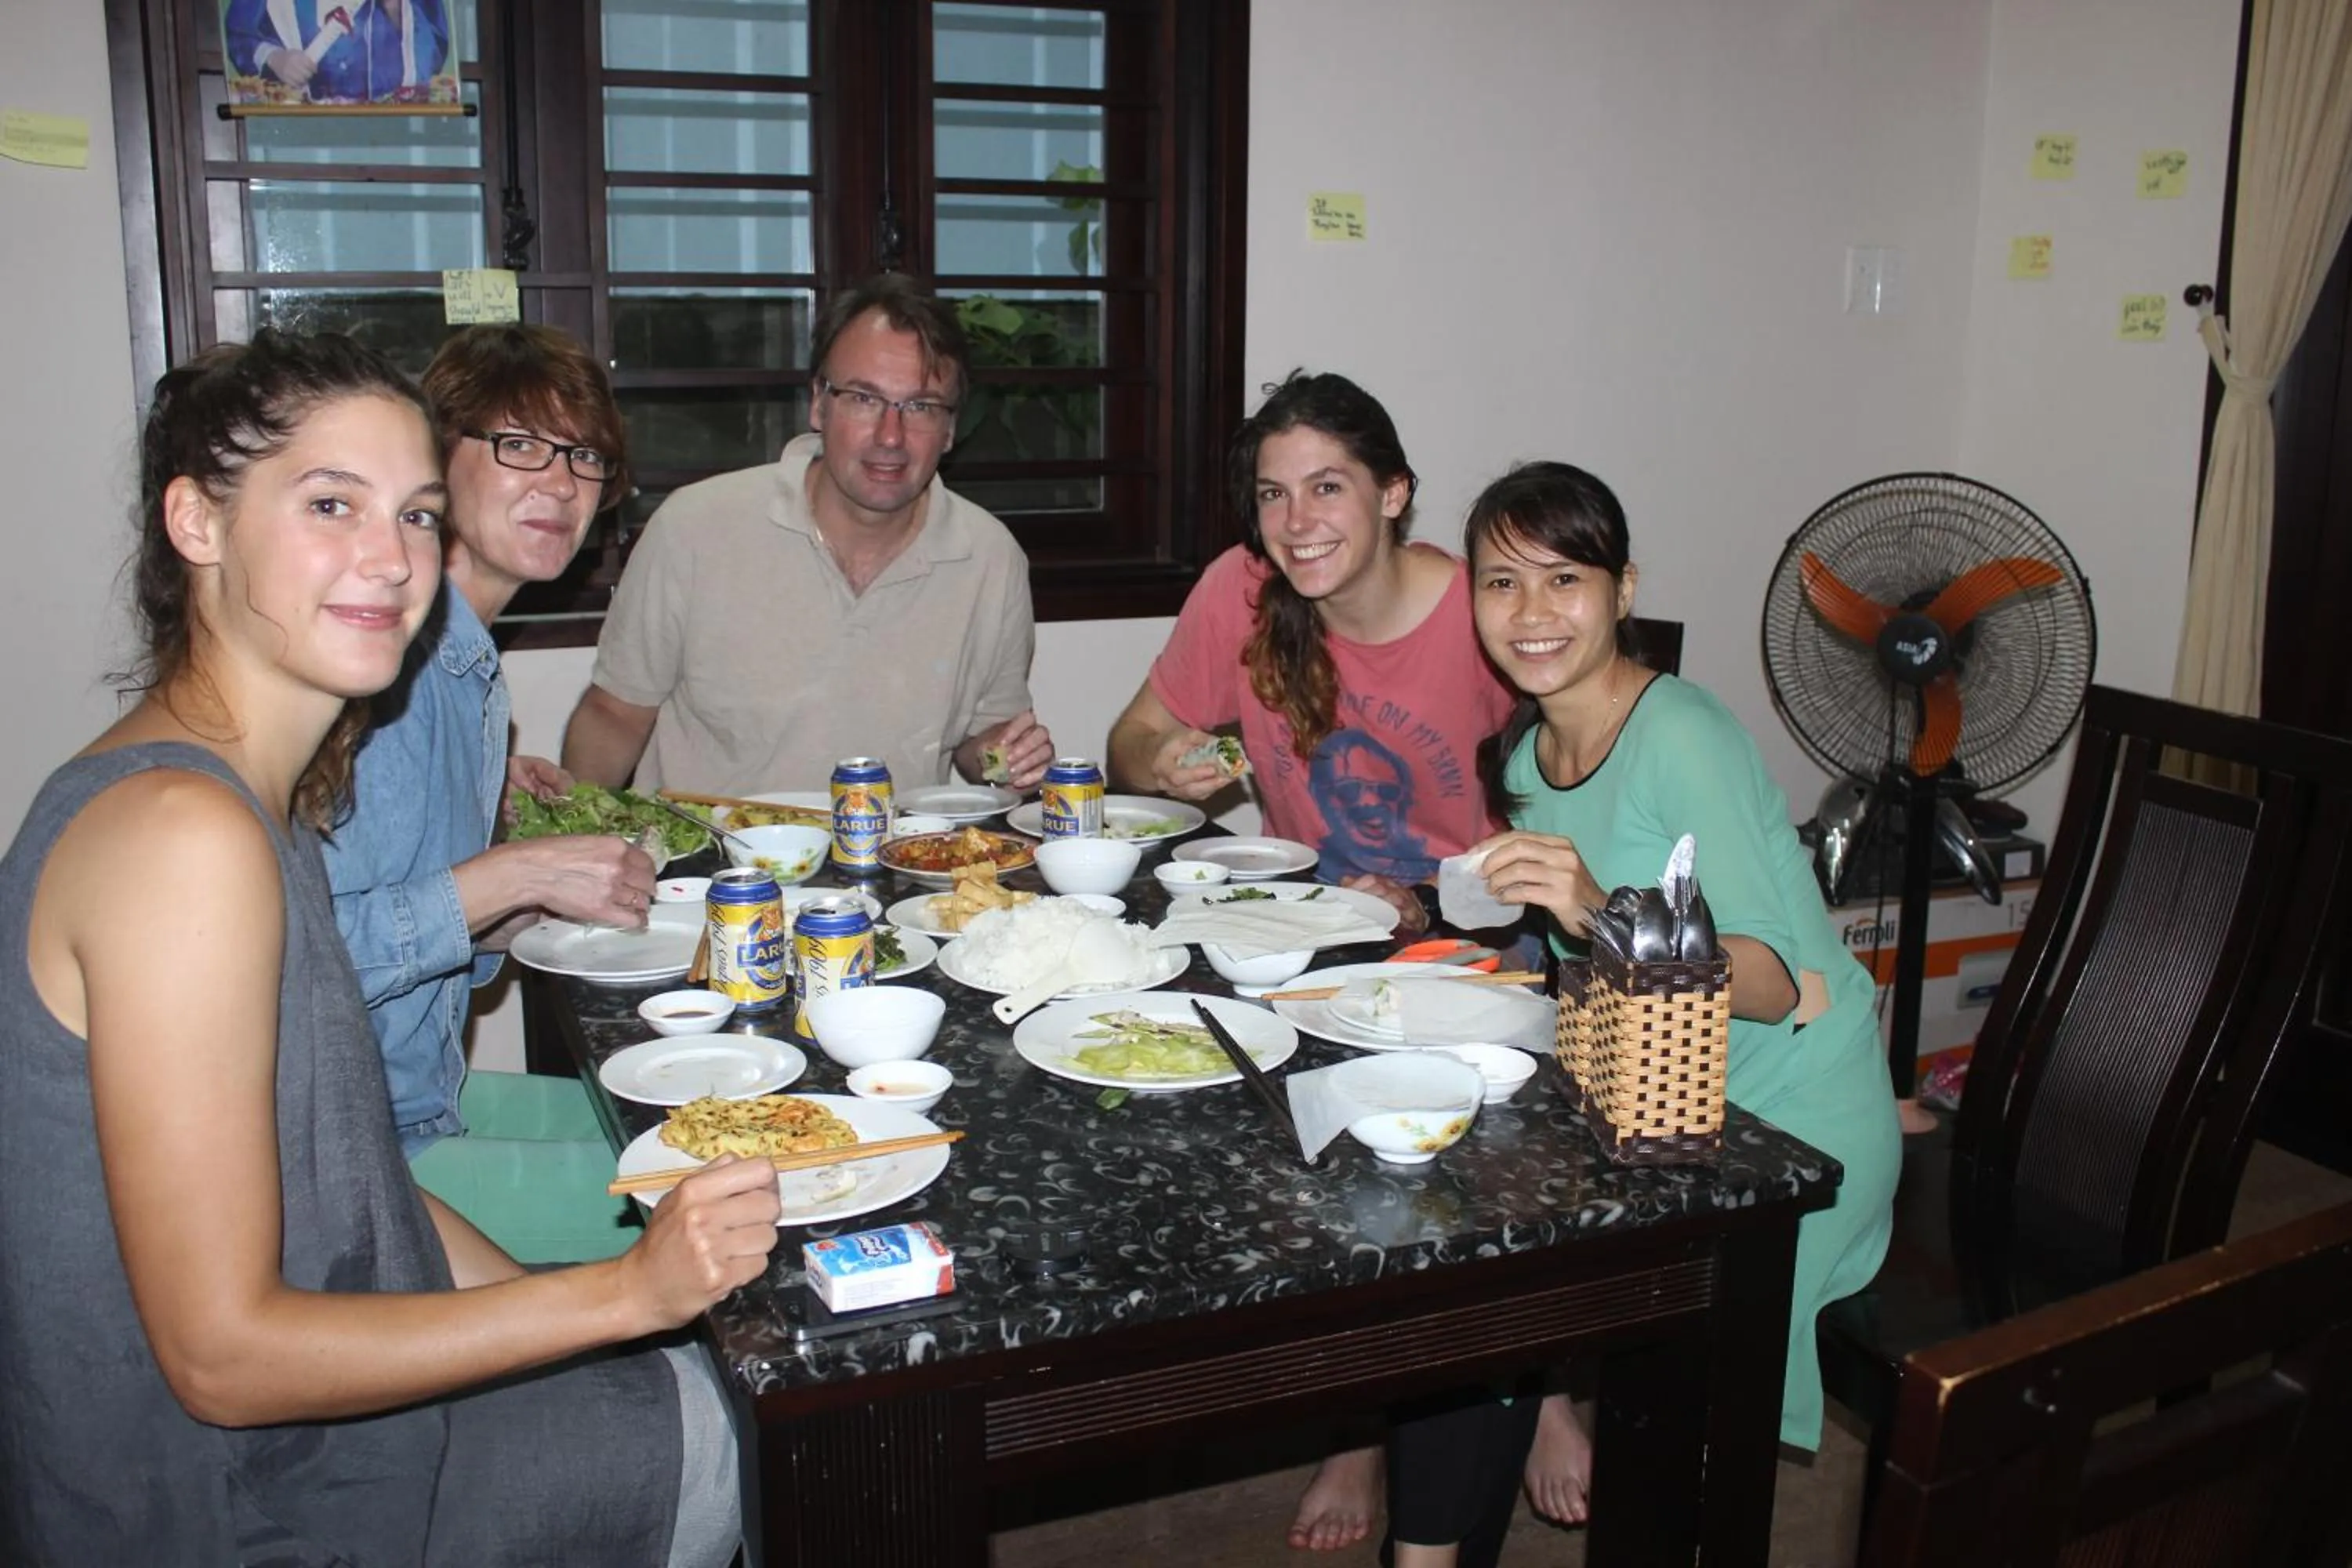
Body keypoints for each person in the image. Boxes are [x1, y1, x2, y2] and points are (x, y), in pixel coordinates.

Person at [0, 331, 775, 1566]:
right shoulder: (179, 837)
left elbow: (358, 1183)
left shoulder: (256, 799)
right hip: (224, 1503)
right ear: (197, 523)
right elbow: (221, 1360)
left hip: (282, 1438)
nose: (392, 557)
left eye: (415, 515)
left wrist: (557, 1311)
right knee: (764, 1428)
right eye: (329, 504)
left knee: (707, 1370)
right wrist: (622, 1297)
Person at [1374, 459, 1899, 1566]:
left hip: (1783, 1119)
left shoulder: (1684, 736)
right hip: (1648, 1089)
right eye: (1501, 582)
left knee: (1648, 1390)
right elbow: (1584, 965)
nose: (1531, 613)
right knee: (1459, 1226)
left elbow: (1773, 981)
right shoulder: (1524, 749)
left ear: (1622, 590)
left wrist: (1590, 906)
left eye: (1564, 578)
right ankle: (1436, 1538)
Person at [323, 323, 656, 1262]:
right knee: (724, 1187)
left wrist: (523, 887)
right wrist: (514, 873)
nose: (559, 483)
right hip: (357, 1150)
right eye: (519, 446)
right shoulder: (391, 668)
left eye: (585, 456)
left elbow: (435, 924)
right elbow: (303, 960)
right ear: (436, 459)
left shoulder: (464, 661)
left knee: (696, 1117)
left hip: (424, 1095)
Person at [562, 273, 1054, 794]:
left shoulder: (990, 556)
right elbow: (615, 715)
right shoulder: (695, 528)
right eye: (864, 399)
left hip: (895, 862)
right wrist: (573, 842)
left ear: (951, 429)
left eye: (921, 407)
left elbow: (984, 742)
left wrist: (1008, 759)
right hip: (713, 866)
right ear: (819, 403)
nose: (891, 436)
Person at [1107, 371, 1515, 942]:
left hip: (1467, 942)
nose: (1296, 523)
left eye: (1327, 488)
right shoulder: (1240, 590)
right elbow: (1126, 746)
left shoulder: (1486, 612)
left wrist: (1426, 904)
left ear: (1392, 494)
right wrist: (1157, 761)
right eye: (1274, 493)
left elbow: (1565, 835)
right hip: (1294, 925)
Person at [225, 0, 451, 103]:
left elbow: (435, 48)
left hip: (390, 131)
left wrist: (396, 10)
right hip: (293, 133)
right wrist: (274, 57)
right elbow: (239, 34)